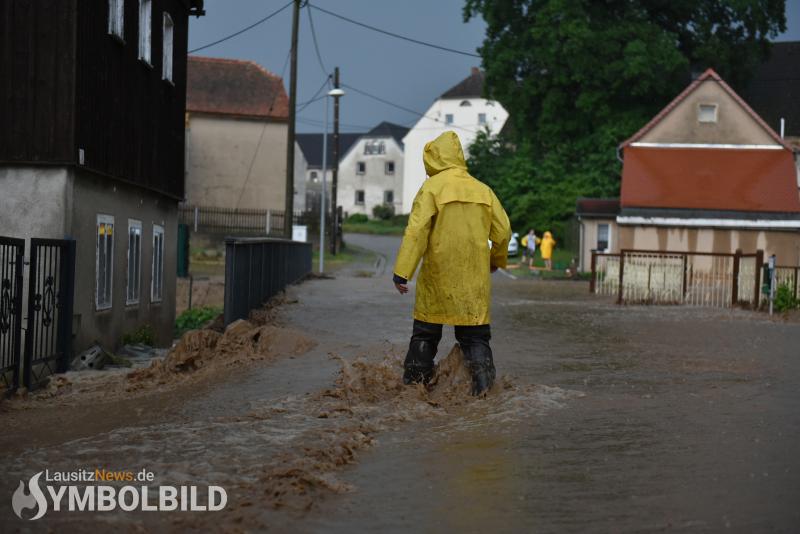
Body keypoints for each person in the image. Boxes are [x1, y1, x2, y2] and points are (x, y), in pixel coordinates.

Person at [392, 131, 511, 396]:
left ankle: (413, 390)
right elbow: (503, 232)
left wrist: (402, 272)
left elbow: (416, 231)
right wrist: (495, 260)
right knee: (476, 338)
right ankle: (485, 394)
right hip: (473, 282)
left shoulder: (431, 188)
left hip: (437, 279)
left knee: (425, 334)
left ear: (433, 158)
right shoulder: (483, 190)